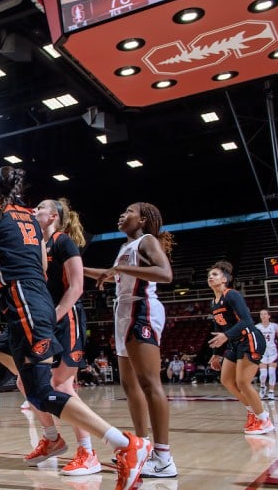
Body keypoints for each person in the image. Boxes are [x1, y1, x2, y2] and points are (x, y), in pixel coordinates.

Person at [0, 166, 151, 489]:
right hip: (31, 307)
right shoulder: (31, 221)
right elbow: (37, 265)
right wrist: (2, 267)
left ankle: (126, 444)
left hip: (27, 311)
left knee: (41, 393)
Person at [84, 202, 177, 478]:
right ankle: (143, 448)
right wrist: (77, 268)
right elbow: (115, 277)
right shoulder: (126, 247)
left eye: (129, 212)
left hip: (142, 309)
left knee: (149, 382)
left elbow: (165, 273)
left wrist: (120, 271)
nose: (122, 215)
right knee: (128, 383)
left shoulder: (147, 241)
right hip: (123, 310)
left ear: (144, 220)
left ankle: (164, 457)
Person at [17, 198, 99, 476]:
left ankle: (88, 453)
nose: (33, 211)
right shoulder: (40, 245)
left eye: (39, 208)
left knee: (62, 384)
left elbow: (76, 287)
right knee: (23, 380)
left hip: (68, 317)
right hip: (48, 320)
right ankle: (52, 439)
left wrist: (55, 316)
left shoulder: (65, 242)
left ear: (52, 216)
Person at [207, 261, 274, 435]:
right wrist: (215, 354)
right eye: (209, 275)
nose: (210, 277)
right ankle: (253, 412)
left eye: (214, 274)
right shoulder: (213, 302)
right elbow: (218, 330)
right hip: (234, 342)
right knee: (227, 381)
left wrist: (227, 336)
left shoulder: (232, 295)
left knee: (243, 382)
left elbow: (247, 321)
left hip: (250, 338)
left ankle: (264, 419)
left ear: (224, 279)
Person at [255, 309, 278, 400]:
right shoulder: (257, 327)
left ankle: (271, 392)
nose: (263, 315)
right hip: (262, 352)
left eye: (265, 314)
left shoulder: (274, 326)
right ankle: (262, 387)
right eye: (261, 314)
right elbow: (254, 341)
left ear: (269, 316)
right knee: (263, 374)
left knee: (272, 372)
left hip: (273, 351)